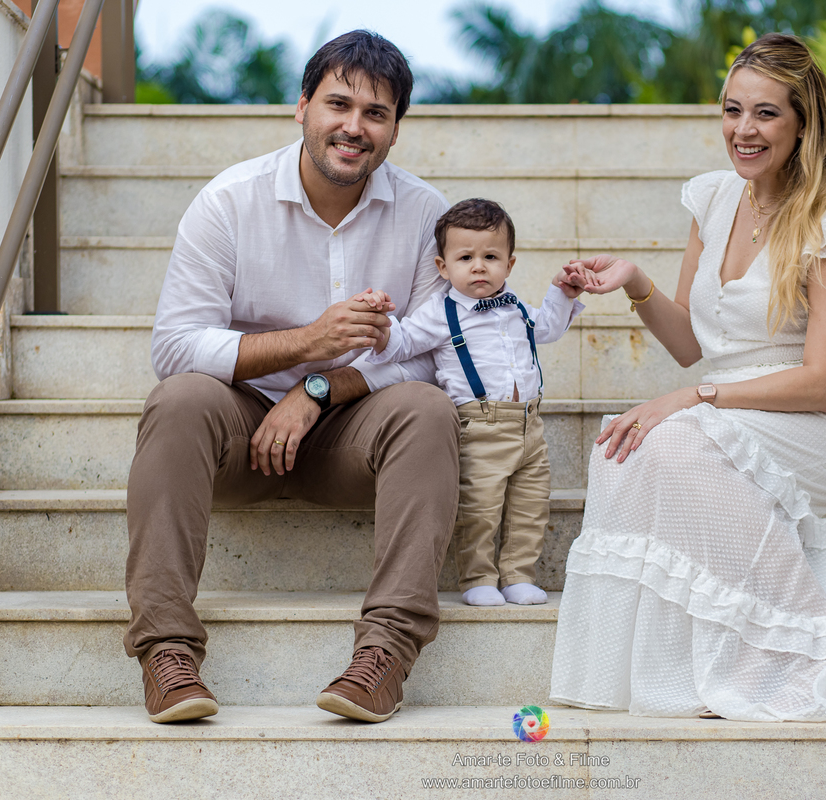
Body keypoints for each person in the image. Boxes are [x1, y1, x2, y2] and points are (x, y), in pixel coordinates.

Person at [549, 33, 826, 721]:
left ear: (802, 123)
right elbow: (696, 346)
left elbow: (821, 382)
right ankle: (736, 646)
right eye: (732, 110)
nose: (743, 130)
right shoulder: (714, 200)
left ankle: (815, 637)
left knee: (672, 437)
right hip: (734, 406)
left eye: (765, 114)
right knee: (624, 446)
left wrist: (693, 400)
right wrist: (635, 283)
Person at [125, 31, 457, 725]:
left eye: (376, 113)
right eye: (338, 104)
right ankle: (166, 653)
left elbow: (433, 353)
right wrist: (307, 344)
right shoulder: (230, 202)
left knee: (427, 408)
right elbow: (175, 346)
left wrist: (317, 389)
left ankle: (385, 656)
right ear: (302, 107)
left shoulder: (427, 215)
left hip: (352, 437)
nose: (354, 127)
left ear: (396, 129)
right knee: (178, 399)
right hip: (240, 430)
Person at [361, 198, 588, 607]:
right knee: (480, 508)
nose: (479, 266)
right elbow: (404, 343)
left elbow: (549, 329)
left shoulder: (515, 305)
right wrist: (381, 326)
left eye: (490, 256)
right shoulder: (440, 311)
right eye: (465, 257)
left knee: (530, 508)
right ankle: (479, 577)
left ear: (510, 264)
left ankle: (519, 575)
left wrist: (562, 292)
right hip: (479, 427)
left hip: (530, 427)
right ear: (443, 267)